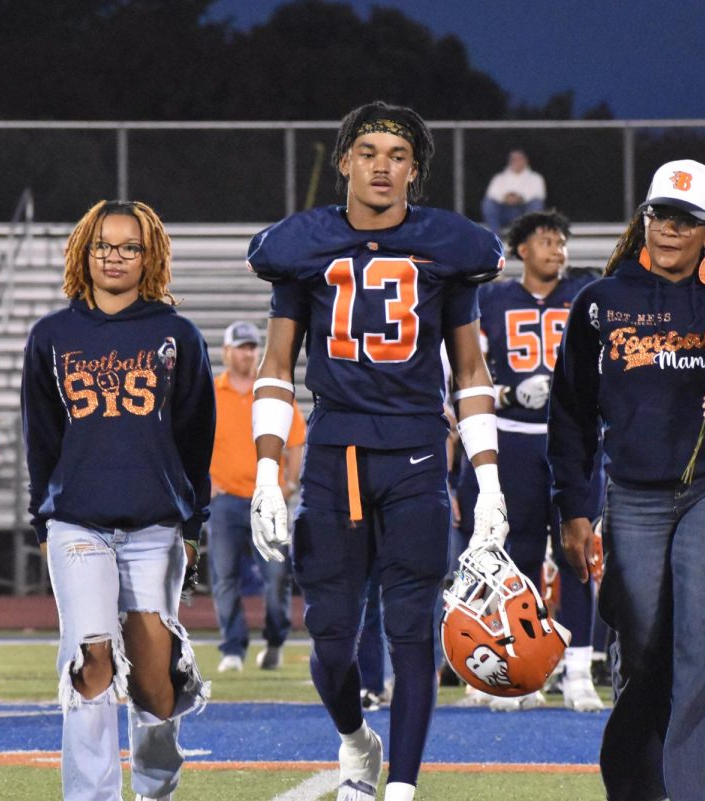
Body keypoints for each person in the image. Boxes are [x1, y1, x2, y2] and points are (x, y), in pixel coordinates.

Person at [247, 101, 507, 801]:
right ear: (344, 163)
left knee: (412, 625)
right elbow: (276, 365)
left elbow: (473, 373)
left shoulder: (448, 249)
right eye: (368, 152)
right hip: (336, 452)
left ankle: (403, 786)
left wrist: (490, 483)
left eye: (397, 154)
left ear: (414, 170)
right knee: (331, 641)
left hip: (418, 451)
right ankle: (357, 738)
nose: (382, 165)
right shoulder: (301, 247)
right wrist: (268, 469)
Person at [548, 159, 705, 801]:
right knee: (643, 658)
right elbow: (569, 412)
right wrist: (571, 510)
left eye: (687, 221)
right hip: (631, 498)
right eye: (661, 215)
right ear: (644, 219)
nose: (670, 230)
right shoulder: (599, 304)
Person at [22, 199, 215, 801]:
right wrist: (44, 514)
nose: (114, 256)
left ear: (149, 255)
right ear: (85, 250)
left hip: (156, 525)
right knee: (91, 661)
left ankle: (157, 784)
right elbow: (42, 437)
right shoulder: (51, 335)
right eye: (103, 244)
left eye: (128, 246)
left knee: (156, 681)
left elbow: (195, 432)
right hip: (77, 521)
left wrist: (193, 522)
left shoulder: (177, 334)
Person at [456, 210, 605, 713]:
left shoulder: (586, 297)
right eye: (546, 241)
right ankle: (523, 666)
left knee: (578, 554)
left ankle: (579, 669)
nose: (557, 250)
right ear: (522, 249)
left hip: (572, 440)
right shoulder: (491, 299)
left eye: (562, 242)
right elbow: (464, 374)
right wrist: (509, 392)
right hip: (514, 439)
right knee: (515, 560)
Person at [209, 320, 304, 674]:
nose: (248, 353)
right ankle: (232, 647)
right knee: (224, 577)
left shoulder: (271, 390)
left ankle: (276, 639)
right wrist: (205, 483)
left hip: (268, 500)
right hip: (226, 498)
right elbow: (193, 439)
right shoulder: (212, 393)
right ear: (227, 352)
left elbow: (295, 441)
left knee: (277, 575)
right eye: (242, 346)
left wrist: (290, 484)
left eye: (252, 347)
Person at [480, 149, 546, 235]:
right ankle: (495, 237)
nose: (517, 162)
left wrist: (521, 198)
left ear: (526, 161)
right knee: (488, 203)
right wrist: (505, 198)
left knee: (537, 204)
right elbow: (491, 194)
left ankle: (530, 236)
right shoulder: (499, 178)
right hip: (505, 212)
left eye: (520, 159)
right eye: (514, 159)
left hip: (523, 212)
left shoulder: (535, 178)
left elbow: (540, 194)